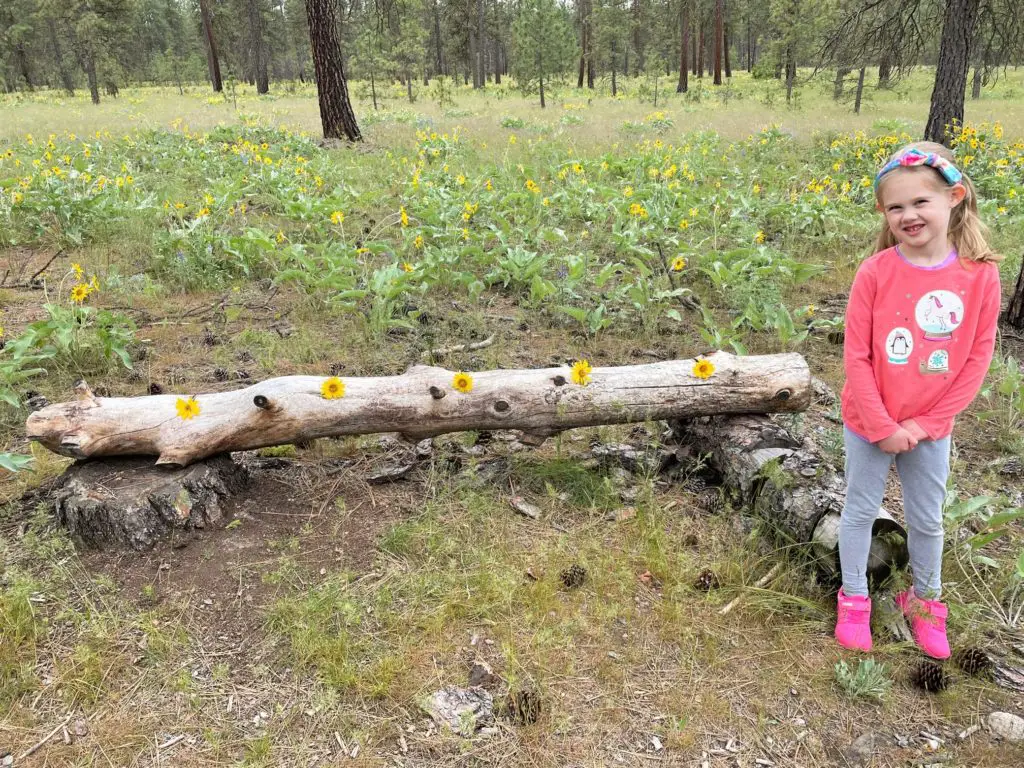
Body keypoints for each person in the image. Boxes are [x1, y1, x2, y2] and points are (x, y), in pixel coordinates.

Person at [836, 142, 1003, 658]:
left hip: (931, 427)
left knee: (927, 519)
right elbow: (857, 357)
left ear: (954, 198)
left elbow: (976, 357)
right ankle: (855, 598)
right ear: (884, 214)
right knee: (860, 509)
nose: (908, 215)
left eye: (921, 202)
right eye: (896, 207)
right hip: (869, 421)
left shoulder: (980, 275)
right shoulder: (876, 272)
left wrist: (930, 423)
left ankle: (926, 601)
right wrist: (882, 424)